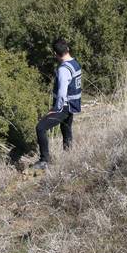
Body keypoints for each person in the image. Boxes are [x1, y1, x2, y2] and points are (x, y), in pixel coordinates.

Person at [33, 39, 82, 171]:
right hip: (72, 105)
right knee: (66, 129)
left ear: (55, 53)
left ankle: (44, 160)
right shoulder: (75, 64)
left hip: (64, 106)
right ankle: (69, 157)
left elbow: (61, 93)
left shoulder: (63, 69)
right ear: (67, 49)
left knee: (40, 128)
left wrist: (56, 109)